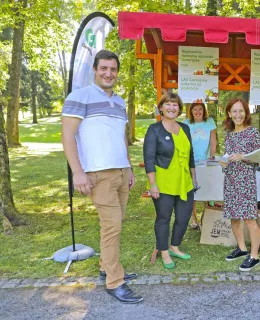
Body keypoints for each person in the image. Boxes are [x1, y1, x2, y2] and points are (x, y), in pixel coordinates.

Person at [61, 50, 142, 304]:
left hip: (120, 172)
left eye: (113, 69)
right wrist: (78, 173)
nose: (109, 73)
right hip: (98, 175)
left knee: (113, 225)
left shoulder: (119, 102)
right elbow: (67, 137)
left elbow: (121, 138)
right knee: (112, 225)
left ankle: (107, 267)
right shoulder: (79, 97)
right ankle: (114, 282)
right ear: (95, 70)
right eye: (104, 68)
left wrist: (128, 168)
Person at [143, 92, 197, 269]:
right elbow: (149, 158)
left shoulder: (185, 128)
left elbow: (190, 156)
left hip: (184, 181)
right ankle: (164, 251)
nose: (172, 108)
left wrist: (194, 177)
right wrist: (153, 184)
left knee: (183, 217)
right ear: (161, 108)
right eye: (168, 104)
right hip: (163, 181)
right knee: (164, 218)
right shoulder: (154, 129)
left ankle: (174, 246)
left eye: (175, 105)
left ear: (179, 109)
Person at [219, 98, 260, 272]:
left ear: (246, 113)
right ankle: (242, 248)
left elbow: (259, 159)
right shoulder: (229, 135)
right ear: (229, 114)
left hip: (246, 182)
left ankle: (254, 256)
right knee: (234, 217)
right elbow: (227, 157)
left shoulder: (253, 133)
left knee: (249, 220)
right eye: (234, 111)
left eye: (241, 111)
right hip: (230, 181)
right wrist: (223, 163)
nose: (238, 115)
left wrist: (243, 156)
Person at [183, 102, 217, 229]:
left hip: (205, 162)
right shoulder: (186, 122)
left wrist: (212, 156)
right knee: (192, 193)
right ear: (191, 111)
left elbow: (213, 141)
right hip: (190, 162)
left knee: (206, 191)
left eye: (200, 109)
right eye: (195, 109)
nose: (198, 112)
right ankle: (194, 220)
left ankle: (206, 217)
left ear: (204, 110)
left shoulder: (209, 122)